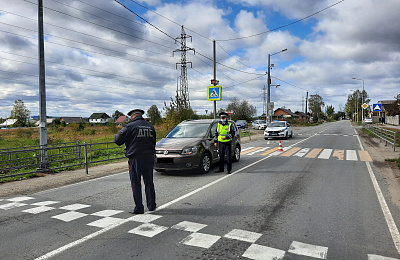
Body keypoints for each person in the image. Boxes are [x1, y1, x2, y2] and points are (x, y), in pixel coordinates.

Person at [114, 109, 157, 214]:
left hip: (136, 158)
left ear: (132, 116)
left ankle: (139, 208)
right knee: (149, 182)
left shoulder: (129, 126)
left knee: (135, 183)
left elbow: (117, 141)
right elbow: (153, 141)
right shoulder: (150, 127)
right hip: (149, 157)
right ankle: (151, 205)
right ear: (141, 115)